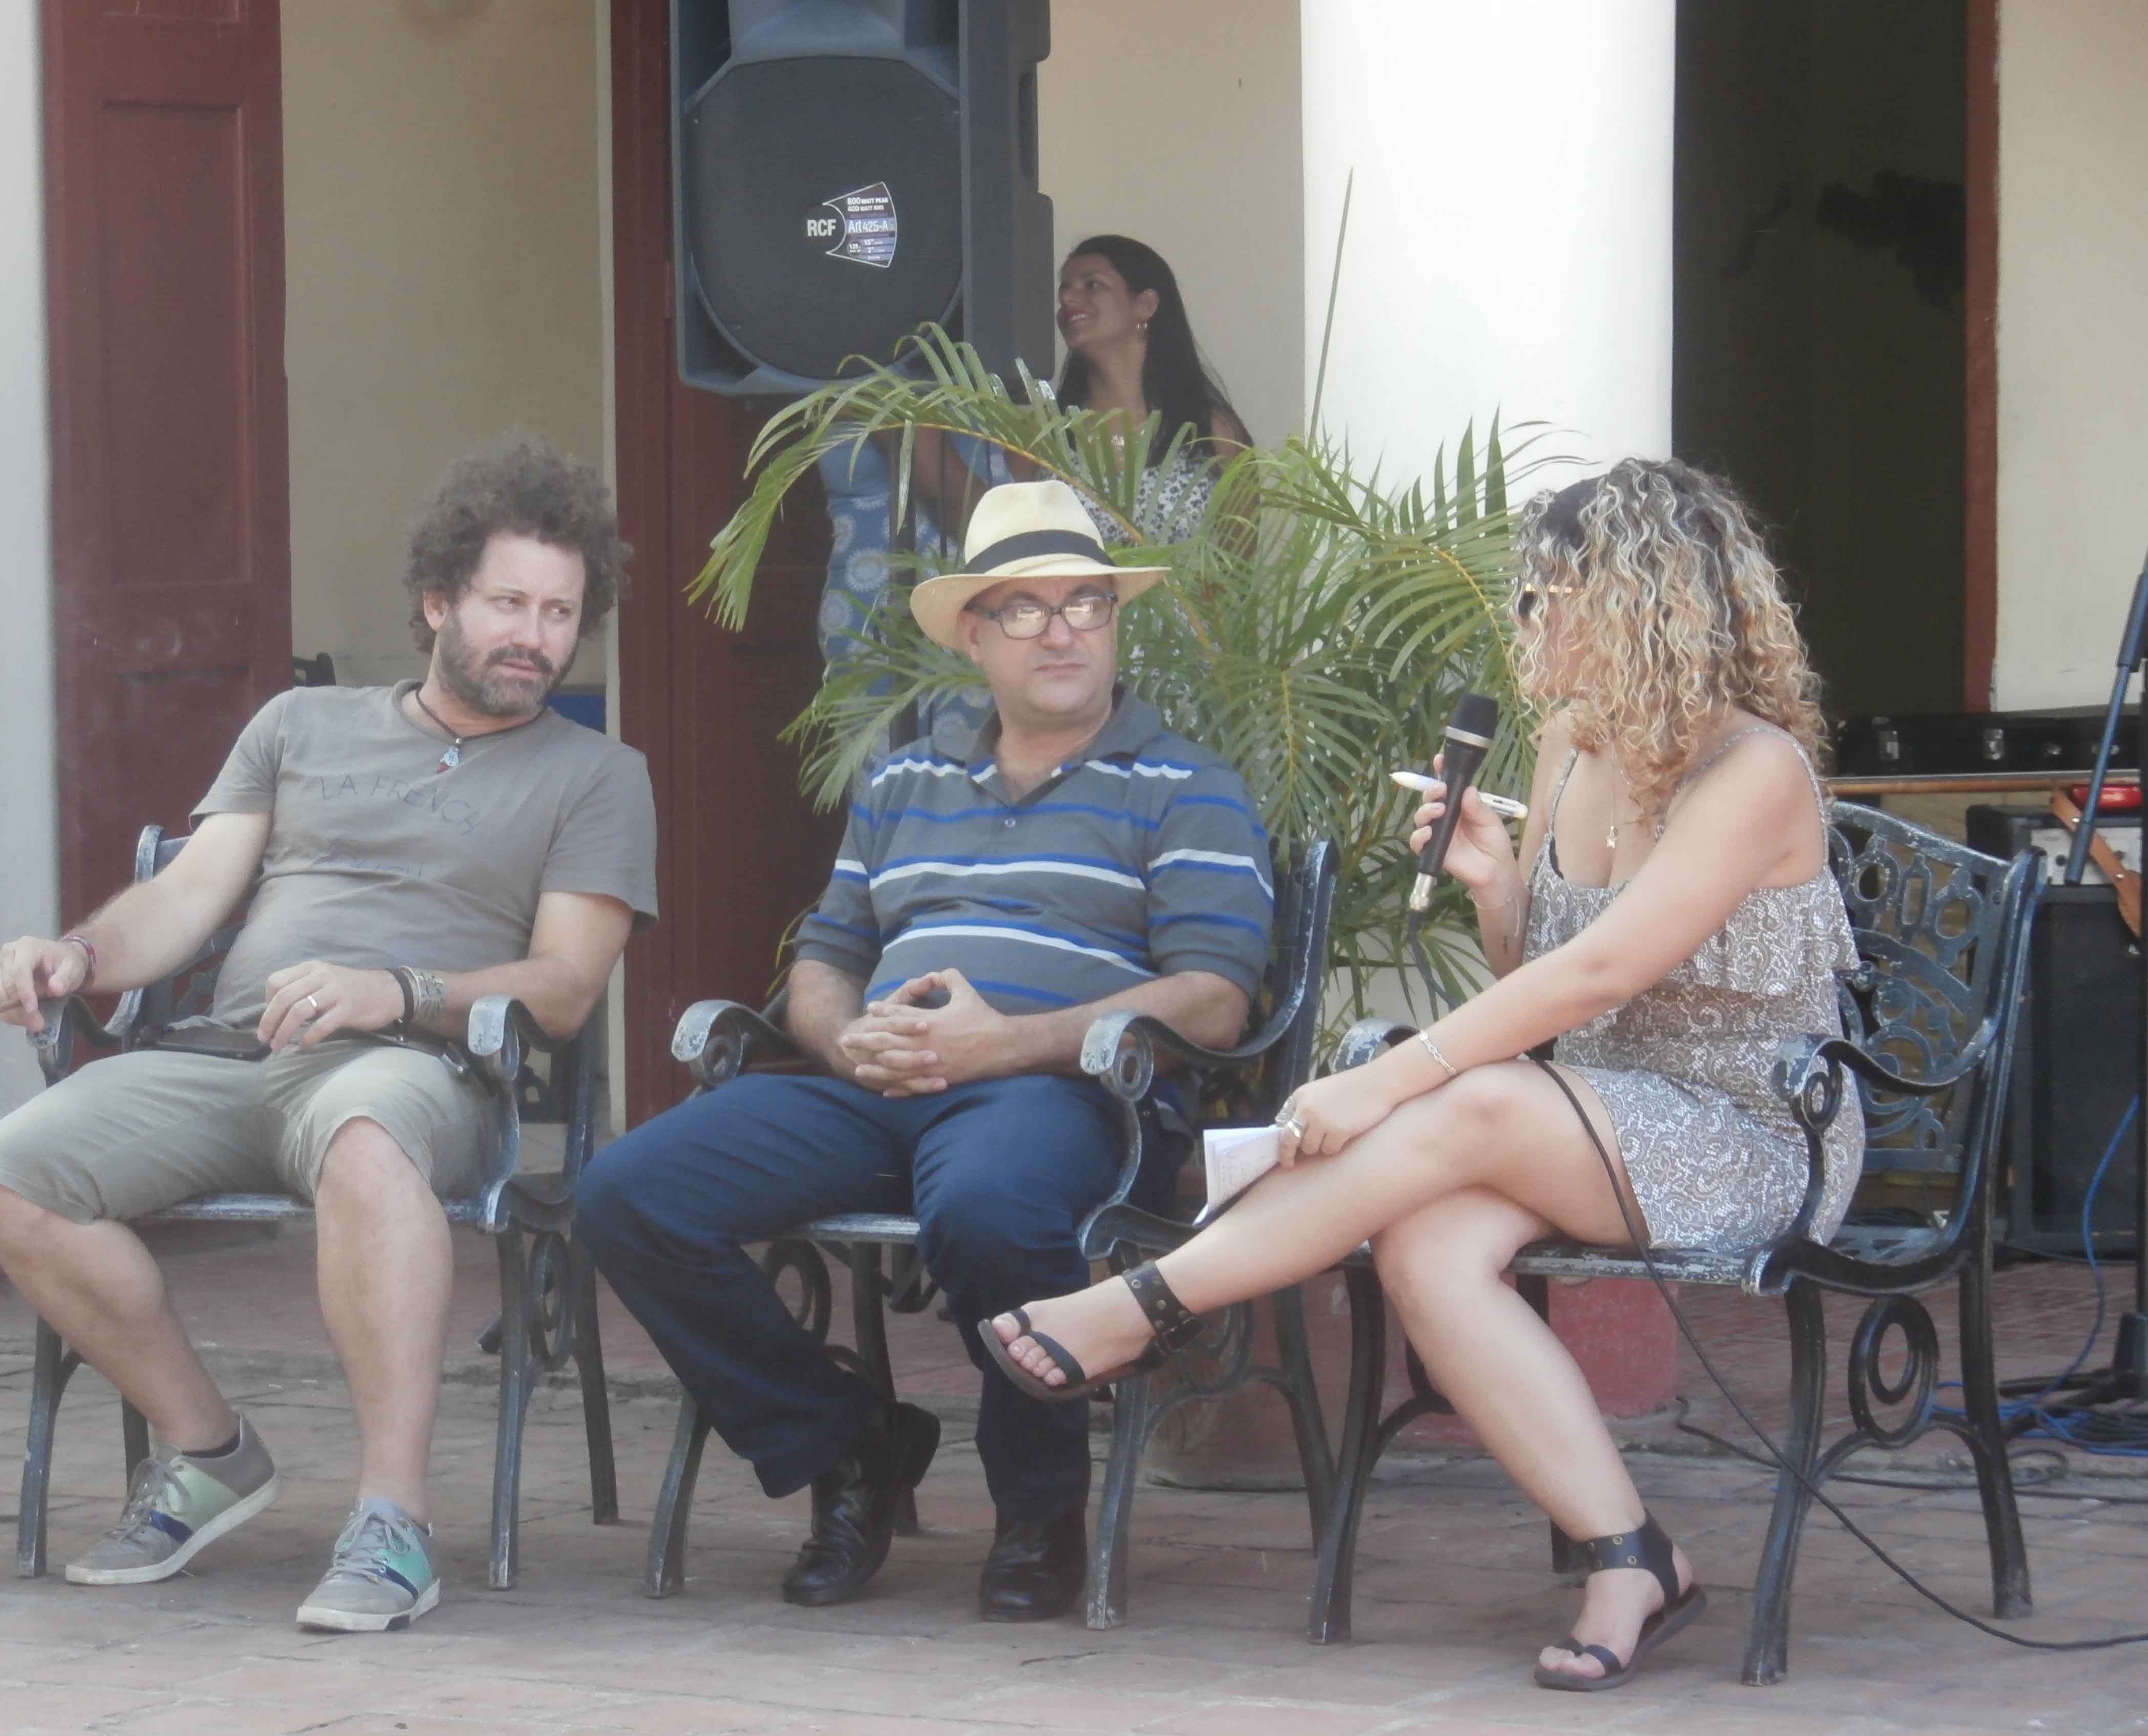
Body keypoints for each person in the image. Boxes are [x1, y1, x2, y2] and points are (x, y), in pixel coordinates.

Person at [982, 457, 1860, 1690]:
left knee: (1470, 1096)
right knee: (1426, 1249)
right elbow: (1545, 971)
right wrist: (1498, 885)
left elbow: (1598, 978)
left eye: (1540, 598)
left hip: (1753, 1128)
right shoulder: (1570, 742)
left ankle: (1151, 1304)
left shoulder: (1751, 770)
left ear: (1626, 607)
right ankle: (1632, 1556)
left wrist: (1380, 1085)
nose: (1520, 626)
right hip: (1594, 1111)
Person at [0, 437, 658, 1632]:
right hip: (231, 1059)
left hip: (415, 1069)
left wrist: (398, 988)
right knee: (10, 1174)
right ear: (438, 600)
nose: (534, 637)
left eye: (559, 612)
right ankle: (208, 1448)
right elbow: (186, 899)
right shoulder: (300, 725)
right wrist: (76, 955)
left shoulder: (596, 776)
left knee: (366, 1137)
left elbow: (563, 987)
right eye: (507, 603)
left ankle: (392, 1521)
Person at [575, 479, 1275, 1622]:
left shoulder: (1185, 786)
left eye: (1088, 603)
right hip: (880, 1087)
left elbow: (1214, 1005)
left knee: (992, 1206)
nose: (1063, 629)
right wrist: (849, 1041)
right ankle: (847, 1439)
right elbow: (822, 958)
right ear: (972, 634)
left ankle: (1040, 1510)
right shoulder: (903, 782)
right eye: (1026, 607)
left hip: (1065, 1093)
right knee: (629, 1192)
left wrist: (1009, 1044)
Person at [1052, 234, 1251, 544]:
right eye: (1064, 290)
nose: (1068, 299)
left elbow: (1241, 573)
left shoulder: (1214, 432)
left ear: (1145, 305)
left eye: (1092, 285)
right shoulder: (1045, 435)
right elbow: (989, 531)